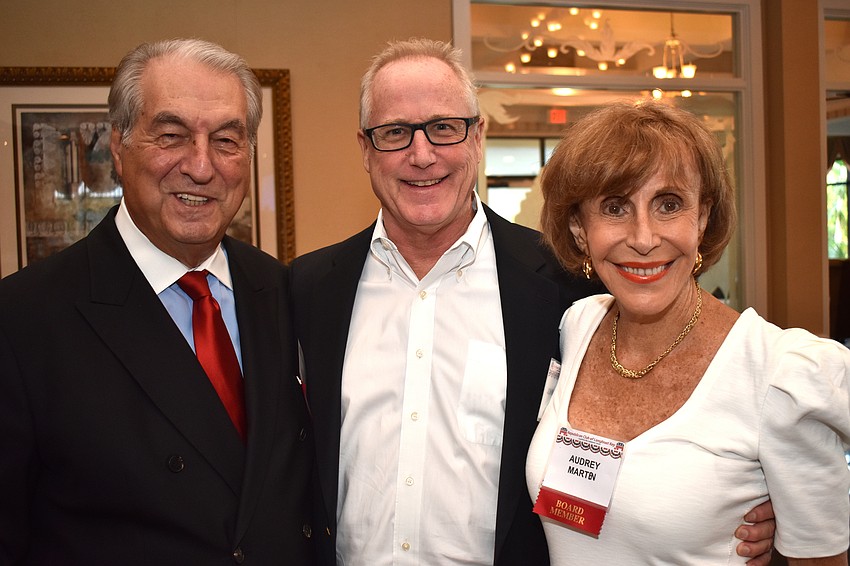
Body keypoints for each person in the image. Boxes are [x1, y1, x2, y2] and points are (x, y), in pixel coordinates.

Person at [291, 38, 776, 566]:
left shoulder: (572, 288)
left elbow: (659, 419)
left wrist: (735, 500)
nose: (422, 153)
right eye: (394, 133)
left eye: (444, 127)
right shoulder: (309, 288)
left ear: (478, 136)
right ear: (365, 148)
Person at [0, 39, 317, 565]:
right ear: (118, 147)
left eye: (226, 140)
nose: (200, 166)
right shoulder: (23, 319)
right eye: (171, 135)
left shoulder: (283, 290)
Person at [527, 100, 850, 564]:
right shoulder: (579, 325)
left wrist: (777, 547)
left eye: (669, 205)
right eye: (615, 207)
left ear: (701, 219)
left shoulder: (780, 376)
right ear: (580, 230)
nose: (643, 238)